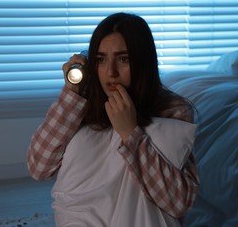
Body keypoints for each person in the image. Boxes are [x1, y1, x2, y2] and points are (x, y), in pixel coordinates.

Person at [26, 12, 199, 226]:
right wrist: (72, 95)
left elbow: (180, 202)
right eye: (101, 59)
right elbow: (38, 168)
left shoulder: (172, 111)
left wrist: (131, 133)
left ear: (143, 62)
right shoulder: (83, 104)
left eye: (123, 59)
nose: (111, 72)